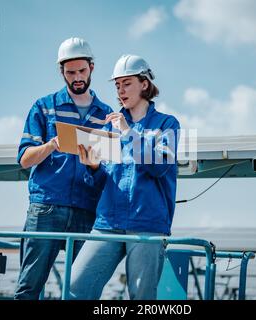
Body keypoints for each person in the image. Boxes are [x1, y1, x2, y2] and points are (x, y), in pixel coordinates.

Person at [70, 54, 180, 300]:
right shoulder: (110, 128)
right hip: (108, 222)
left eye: (126, 83)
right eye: (117, 85)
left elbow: (158, 167)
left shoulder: (167, 124)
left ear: (144, 84)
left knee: (141, 297)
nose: (120, 90)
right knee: (76, 286)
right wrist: (94, 167)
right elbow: (103, 182)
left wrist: (129, 133)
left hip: (147, 224)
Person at [14, 37, 113, 300]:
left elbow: (110, 172)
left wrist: (94, 166)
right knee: (29, 287)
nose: (77, 77)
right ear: (62, 72)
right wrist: (52, 145)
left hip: (86, 211)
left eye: (82, 70)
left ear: (92, 67)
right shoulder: (43, 107)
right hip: (46, 208)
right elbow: (25, 158)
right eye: (71, 72)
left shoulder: (107, 114)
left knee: (80, 291)